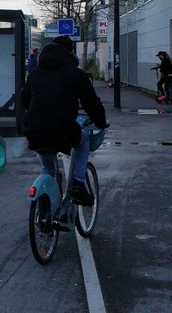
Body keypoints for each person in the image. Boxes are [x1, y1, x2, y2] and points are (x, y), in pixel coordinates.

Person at [21, 35, 108, 206]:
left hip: (33, 129)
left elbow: (25, 101)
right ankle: (77, 183)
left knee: (47, 168)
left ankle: (45, 211)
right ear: (70, 53)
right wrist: (101, 122)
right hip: (62, 129)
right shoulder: (75, 74)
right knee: (83, 141)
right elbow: (91, 103)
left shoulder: (35, 73)